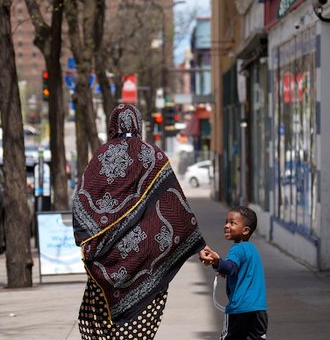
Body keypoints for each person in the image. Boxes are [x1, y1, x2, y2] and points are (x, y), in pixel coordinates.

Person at [73, 103, 205, 339]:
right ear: (138, 123)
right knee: (141, 320)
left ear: (113, 125)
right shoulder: (153, 155)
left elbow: (83, 199)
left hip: (108, 258)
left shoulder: (101, 156)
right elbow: (174, 204)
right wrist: (199, 246)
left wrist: (86, 238)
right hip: (145, 258)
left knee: (99, 317)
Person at [199, 206, 268, 340]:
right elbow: (238, 271)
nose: (226, 226)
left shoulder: (237, 249)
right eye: (226, 222)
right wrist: (223, 268)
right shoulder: (251, 249)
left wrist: (216, 261)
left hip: (240, 309)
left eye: (232, 223)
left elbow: (230, 267)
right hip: (259, 310)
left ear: (245, 230)